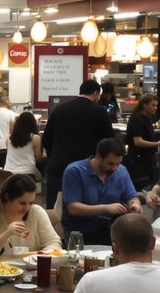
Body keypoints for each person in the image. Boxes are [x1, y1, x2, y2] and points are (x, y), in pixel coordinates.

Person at [41, 79, 115, 208]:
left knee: (55, 210)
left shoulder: (59, 109)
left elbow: (46, 140)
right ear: (96, 93)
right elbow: (109, 142)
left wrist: (55, 155)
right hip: (87, 171)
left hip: (59, 168)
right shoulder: (100, 112)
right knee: (83, 210)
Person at [60, 138, 141, 246]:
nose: (115, 168)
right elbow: (73, 208)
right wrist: (106, 208)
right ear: (98, 156)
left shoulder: (122, 171)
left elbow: (132, 197)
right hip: (79, 231)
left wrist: (134, 205)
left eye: (118, 164)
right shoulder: (75, 171)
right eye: (110, 164)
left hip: (110, 230)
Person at [0, 174, 62, 256]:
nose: (27, 208)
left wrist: (42, 256)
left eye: (31, 203)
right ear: (7, 197)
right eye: (22, 203)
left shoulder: (36, 212)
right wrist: (6, 235)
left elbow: (53, 242)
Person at [123, 93, 160, 189]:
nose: (155, 108)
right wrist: (158, 143)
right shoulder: (137, 119)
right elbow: (138, 141)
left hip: (147, 159)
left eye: (156, 105)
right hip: (138, 160)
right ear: (144, 105)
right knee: (141, 187)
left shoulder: (147, 118)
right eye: (153, 105)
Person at [4, 111, 44, 179]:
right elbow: (38, 159)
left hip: (8, 172)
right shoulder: (35, 138)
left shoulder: (8, 138)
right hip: (27, 172)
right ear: (33, 123)